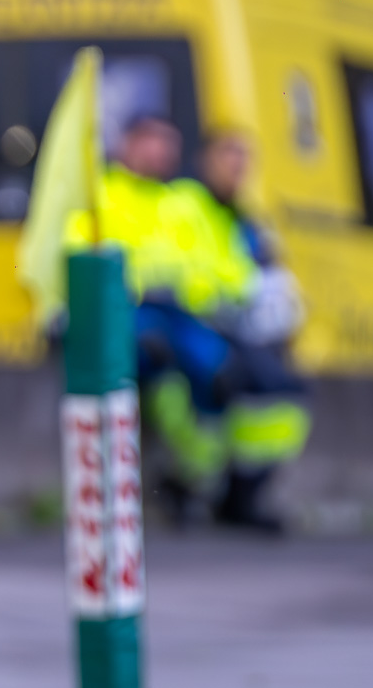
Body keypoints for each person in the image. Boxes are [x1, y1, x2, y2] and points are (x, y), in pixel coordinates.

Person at [72, 119, 308, 532]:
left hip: (193, 318)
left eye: (168, 144)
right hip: (136, 316)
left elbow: (218, 266)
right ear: (126, 145)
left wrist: (250, 295)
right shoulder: (102, 198)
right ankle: (187, 486)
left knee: (242, 378)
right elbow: (85, 265)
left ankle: (210, 488)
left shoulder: (183, 201)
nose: (160, 153)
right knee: (179, 380)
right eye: (150, 142)